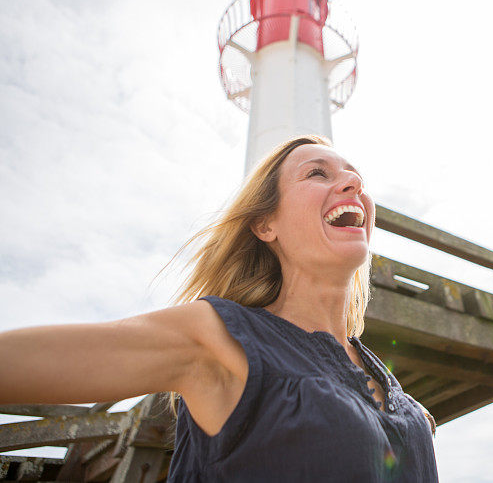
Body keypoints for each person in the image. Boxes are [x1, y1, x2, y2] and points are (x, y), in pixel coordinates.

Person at [0, 134, 438, 482]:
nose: (353, 184)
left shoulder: (394, 391)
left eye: (355, 175)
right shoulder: (216, 340)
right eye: (317, 173)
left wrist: (414, 425)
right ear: (265, 224)